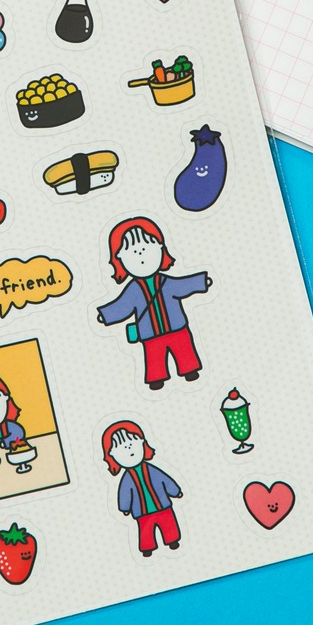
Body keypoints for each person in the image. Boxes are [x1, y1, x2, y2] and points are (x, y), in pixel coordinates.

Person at [96, 217, 211, 390]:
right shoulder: (133, 289)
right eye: (133, 252)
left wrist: (200, 282)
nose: (141, 254)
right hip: (150, 334)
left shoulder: (166, 281)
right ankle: (156, 378)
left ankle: (190, 370)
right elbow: (123, 305)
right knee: (154, 356)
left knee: (184, 349)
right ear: (119, 258)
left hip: (176, 327)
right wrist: (106, 314)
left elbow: (182, 285)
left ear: (160, 248)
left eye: (146, 248)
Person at [101, 421, 183, 556]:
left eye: (132, 443)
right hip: (141, 511)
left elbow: (164, 480)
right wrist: (125, 507)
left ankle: (172, 541)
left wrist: (175, 491)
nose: (128, 448)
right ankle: (147, 548)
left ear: (142, 443)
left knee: (168, 524)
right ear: (112, 455)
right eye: (122, 448)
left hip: (162, 505)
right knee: (146, 530)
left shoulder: (151, 470)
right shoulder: (127, 478)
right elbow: (125, 493)